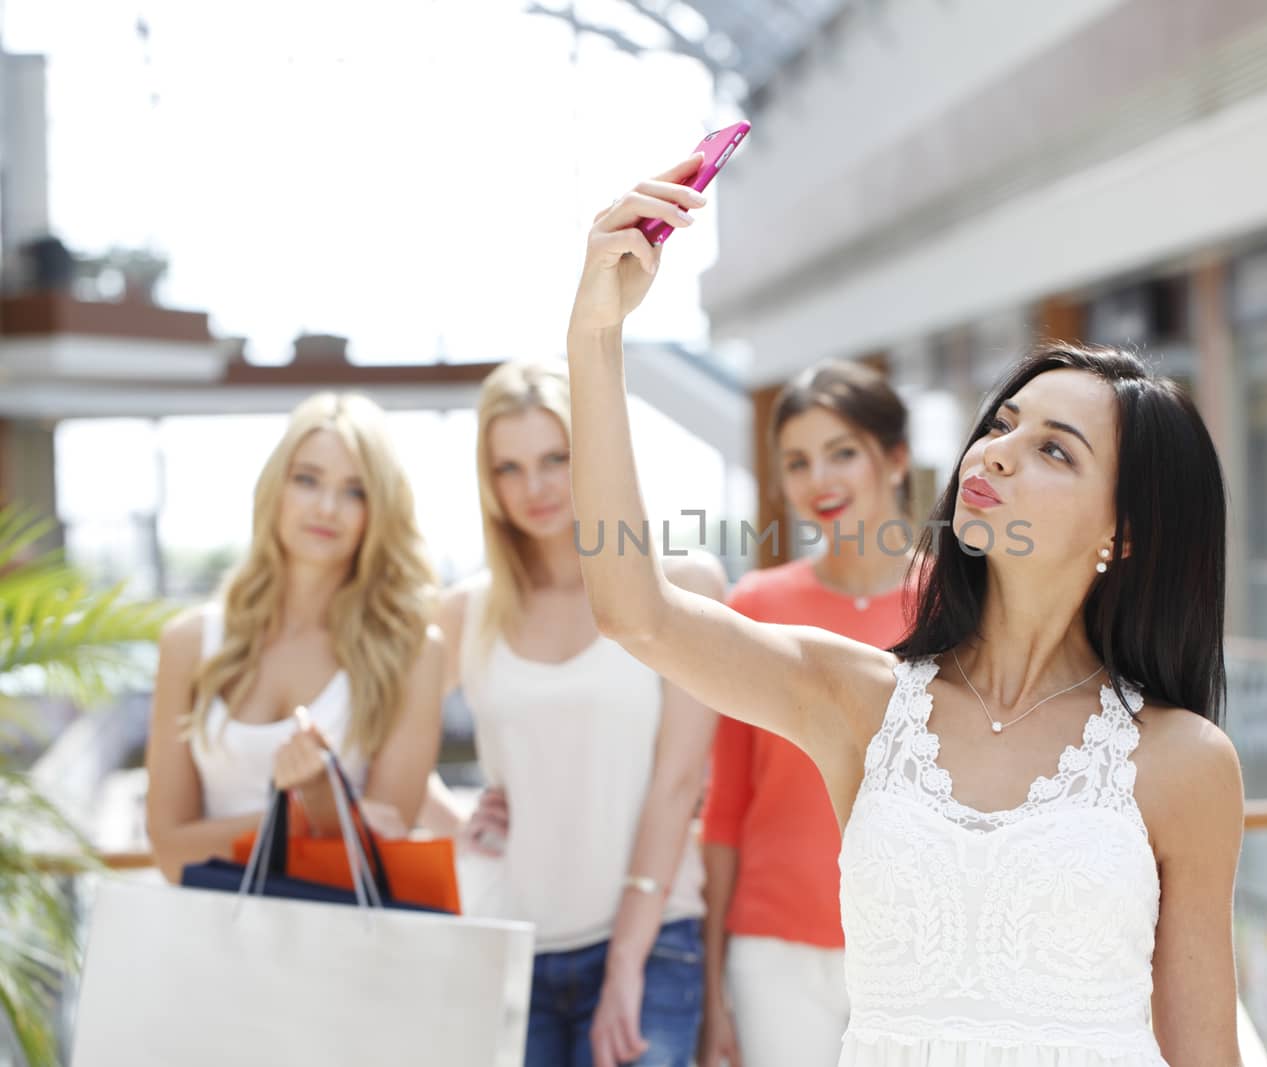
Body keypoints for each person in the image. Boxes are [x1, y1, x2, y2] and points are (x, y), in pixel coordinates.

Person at [562, 158, 1246, 1067]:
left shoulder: (1185, 763)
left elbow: (1206, 1055)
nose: (997, 453)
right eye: (1001, 425)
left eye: (1054, 449)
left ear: (1123, 532)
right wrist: (595, 340)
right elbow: (635, 613)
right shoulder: (860, 700)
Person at [428, 360, 724, 1067]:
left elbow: (679, 784)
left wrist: (626, 961)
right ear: (488, 480)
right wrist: (456, 820)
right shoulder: (466, 610)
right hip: (510, 947)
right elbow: (378, 747)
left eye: (556, 457)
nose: (535, 487)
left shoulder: (681, 584)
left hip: (654, 939)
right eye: (510, 467)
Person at [700, 360, 915, 1067]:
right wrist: (711, 988)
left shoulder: (963, 604)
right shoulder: (756, 607)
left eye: (842, 452)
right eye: (796, 461)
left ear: (896, 458)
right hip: (774, 954)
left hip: (920, 944)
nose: (819, 478)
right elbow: (726, 805)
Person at [146, 392, 444, 883]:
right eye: (307, 480)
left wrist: (325, 798)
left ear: (380, 509)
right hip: (210, 947)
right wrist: (307, 817)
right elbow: (170, 851)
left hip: (339, 950)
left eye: (355, 491)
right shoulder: (188, 643)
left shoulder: (412, 653)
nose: (327, 507)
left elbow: (381, 854)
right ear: (275, 490)